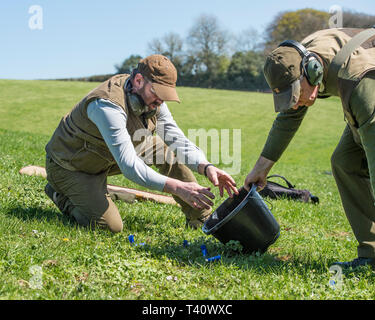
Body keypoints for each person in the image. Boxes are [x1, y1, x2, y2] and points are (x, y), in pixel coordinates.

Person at [44, 54, 238, 233]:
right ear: (138, 81)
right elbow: (129, 166)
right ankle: (60, 194)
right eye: (158, 93)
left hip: (106, 159)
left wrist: (206, 166)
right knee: (110, 226)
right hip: (71, 166)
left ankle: (200, 217)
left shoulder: (154, 101)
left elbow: (176, 138)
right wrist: (177, 187)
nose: (161, 101)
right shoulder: (107, 105)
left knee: (165, 150)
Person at [244, 27, 375, 270]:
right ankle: (372, 253)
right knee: (345, 162)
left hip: (369, 92)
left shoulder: (359, 80)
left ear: (312, 71)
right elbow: (288, 118)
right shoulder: (296, 59)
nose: (295, 104)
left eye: (296, 94)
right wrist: (260, 169)